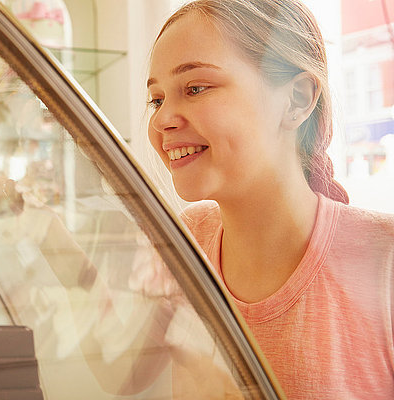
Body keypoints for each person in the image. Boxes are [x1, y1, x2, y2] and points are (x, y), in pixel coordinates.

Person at [144, 0, 394, 398]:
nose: (161, 119)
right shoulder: (186, 238)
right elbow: (123, 375)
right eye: (156, 99)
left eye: (195, 88)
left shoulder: (384, 259)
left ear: (296, 99)